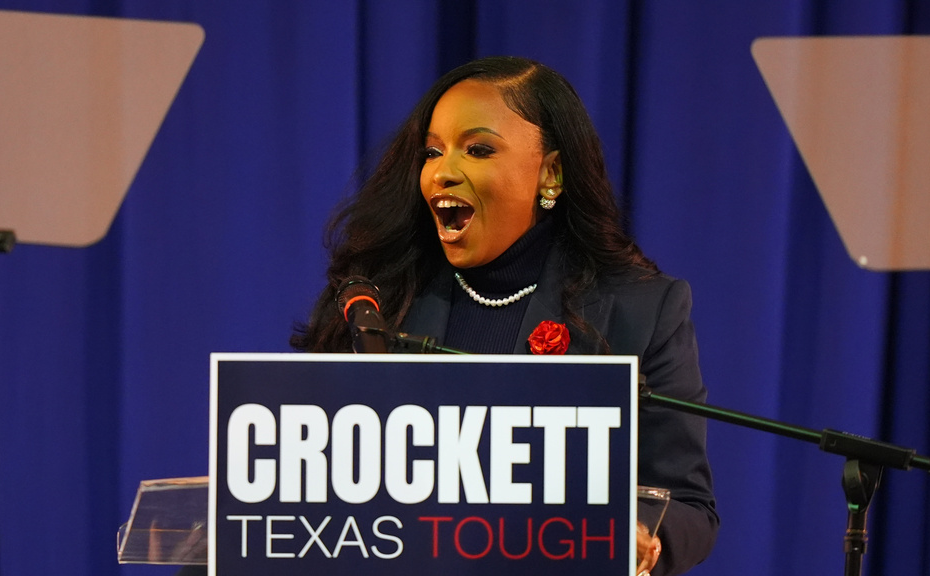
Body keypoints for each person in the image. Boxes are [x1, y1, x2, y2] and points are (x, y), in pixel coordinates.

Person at [292, 56, 718, 575]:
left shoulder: (640, 309)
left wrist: (647, 537)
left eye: (478, 149)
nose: (442, 172)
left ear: (551, 172)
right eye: (431, 151)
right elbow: (305, 487)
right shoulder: (376, 303)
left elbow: (687, 503)